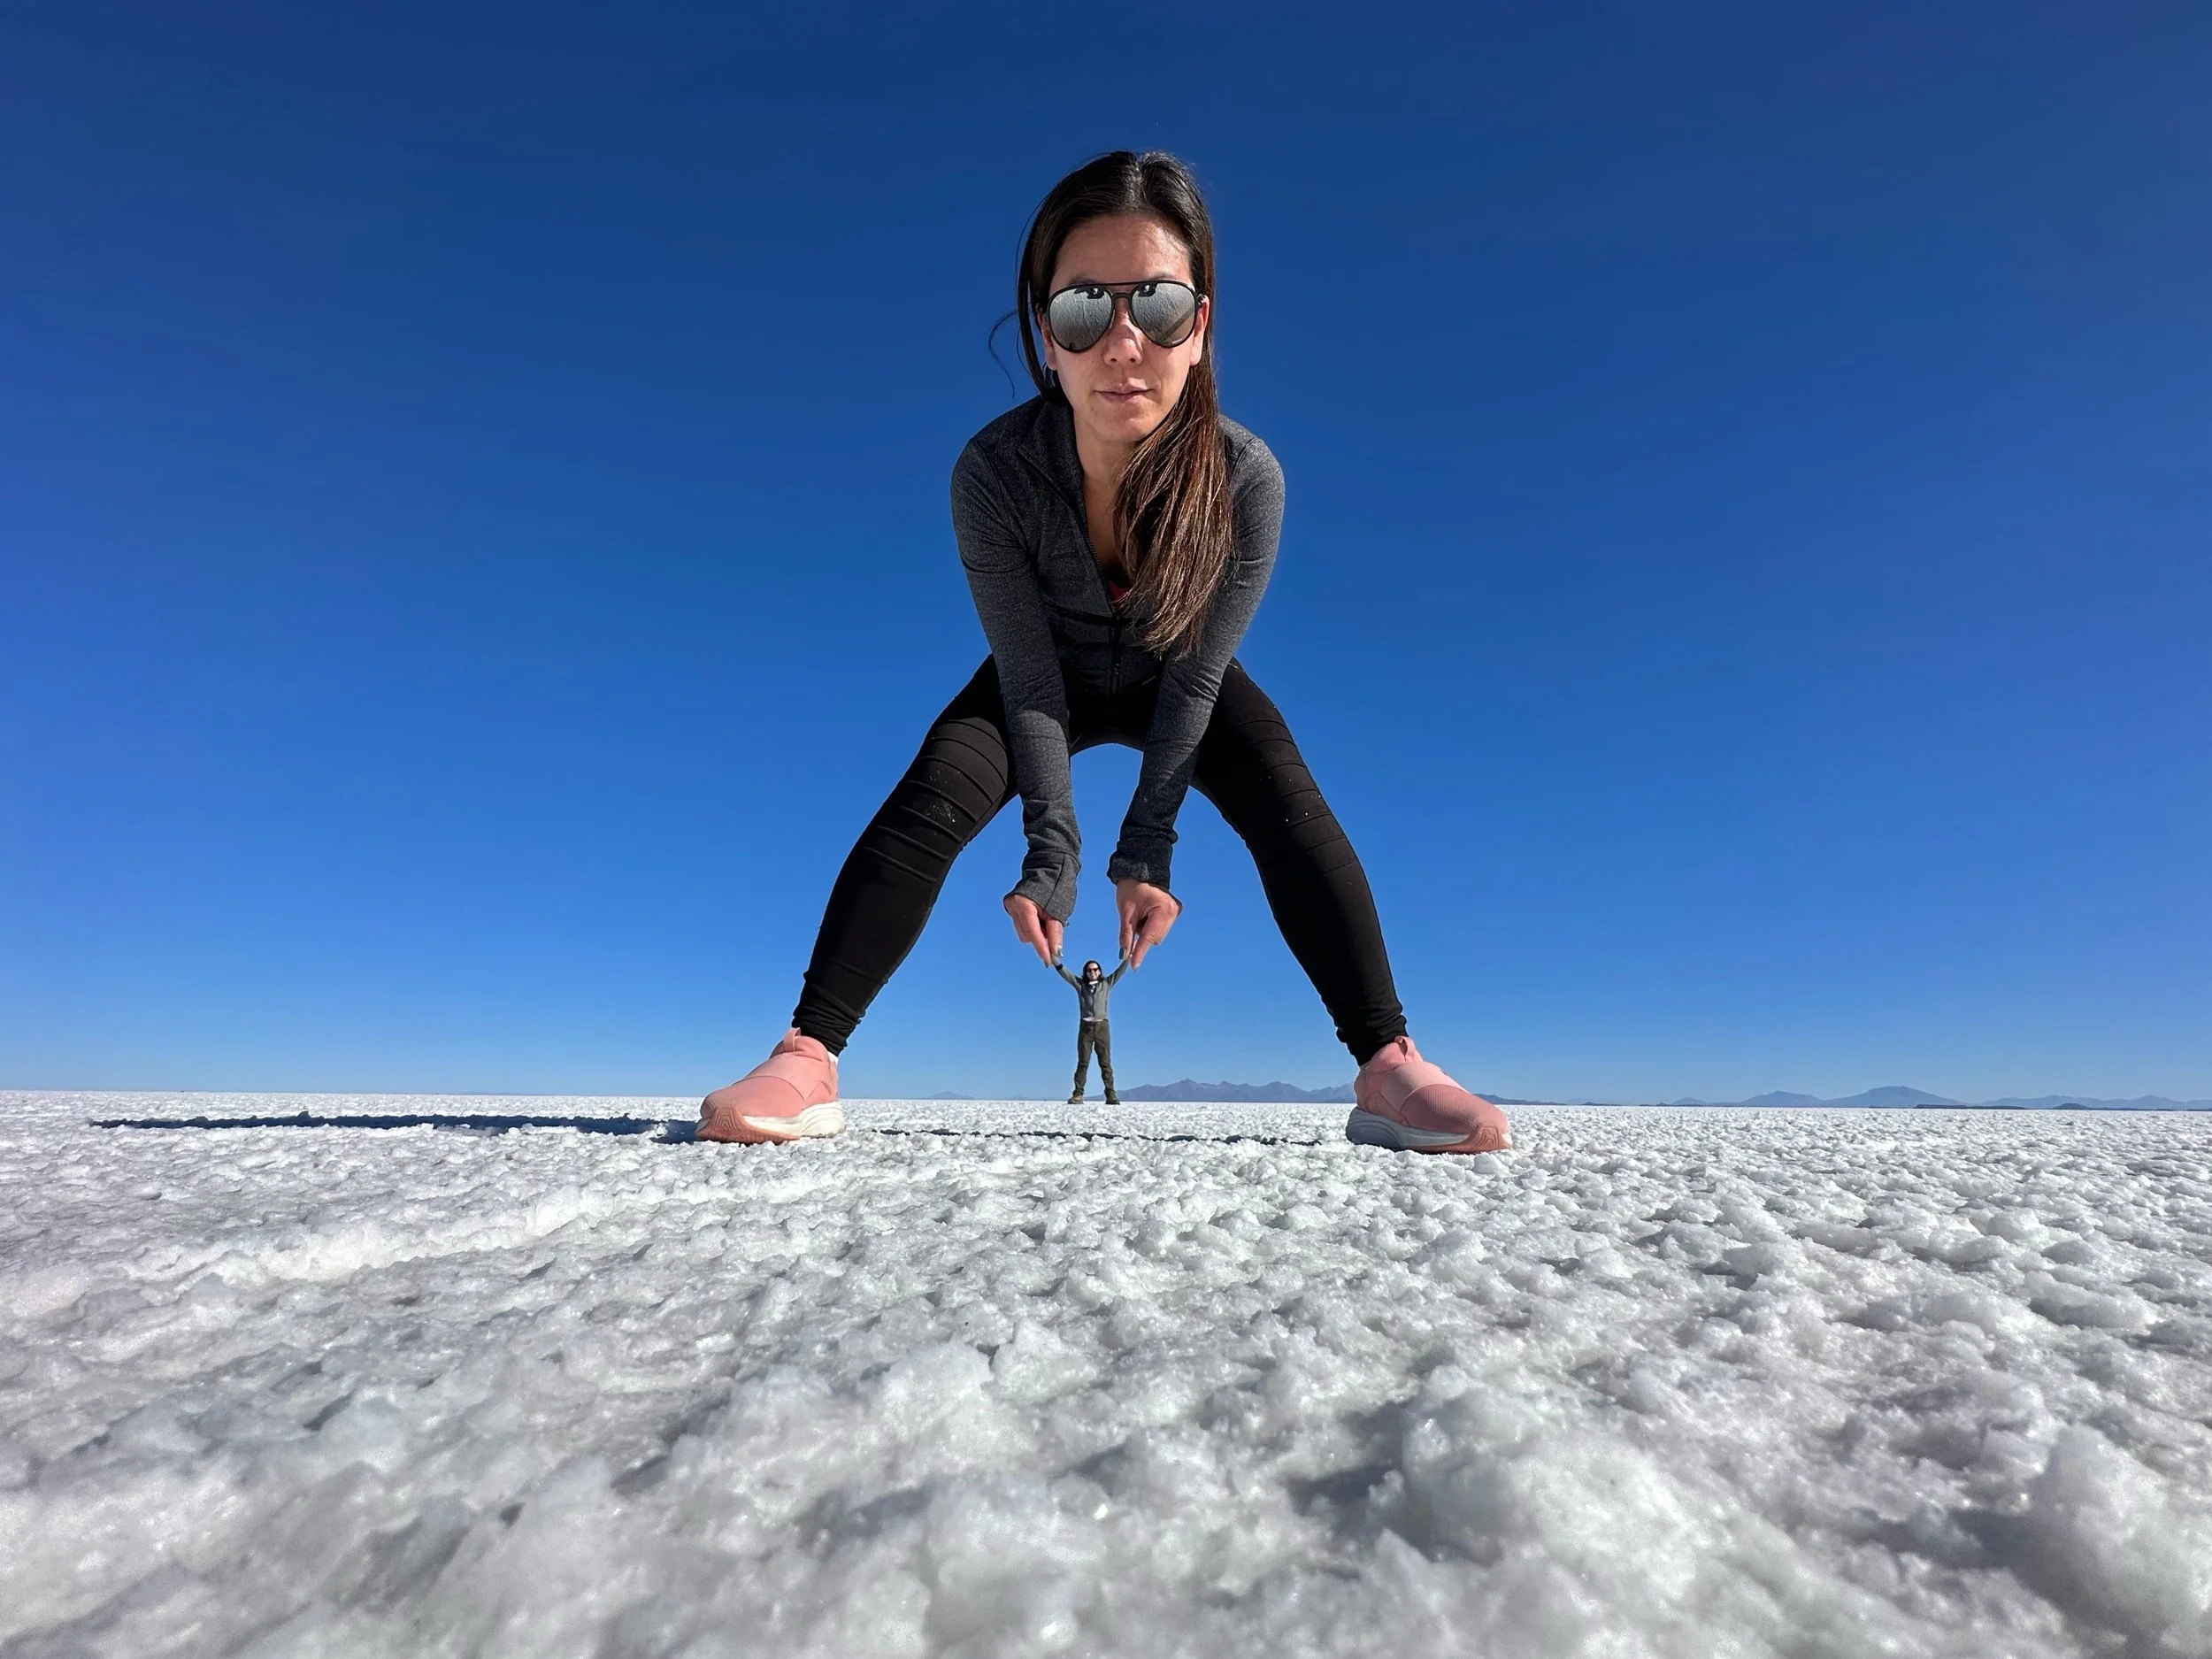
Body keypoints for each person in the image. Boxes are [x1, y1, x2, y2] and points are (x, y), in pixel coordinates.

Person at [700, 150, 1510, 1156]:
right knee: (927, 802)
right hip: (1047, 682)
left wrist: (1146, 852)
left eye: (1158, 304)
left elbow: (1199, 675)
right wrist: (1055, 856)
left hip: (1183, 674)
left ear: (1201, 324)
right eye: (1085, 309)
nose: (1123, 340)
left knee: (1289, 806)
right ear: (1048, 339)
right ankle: (807, 1054)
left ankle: (1390, 1065)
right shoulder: (992, 475)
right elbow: (1030, 679)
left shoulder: (1245, 479)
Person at [1056, 956, 1128, 1103]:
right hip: (1086, 1028)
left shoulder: (1107, 983)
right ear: (1086, 972)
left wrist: (1129, 957)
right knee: (1083, 1062)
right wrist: (1054, 961)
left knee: (1105, 1063)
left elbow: (1121, 970)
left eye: (1095, 969)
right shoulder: (1080, 985)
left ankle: (1111, 1095)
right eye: (1089, 970)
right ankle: (1078, 1094)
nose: (1093, 972)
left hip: (1102, 1027)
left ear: (1100, 971)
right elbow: (1067, 975)